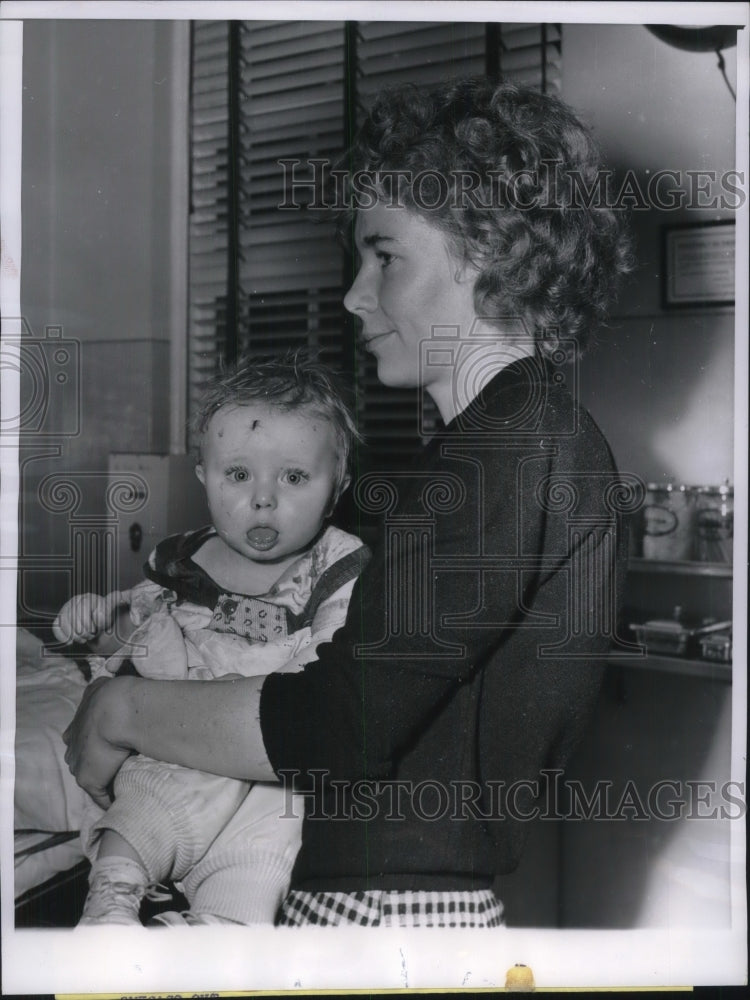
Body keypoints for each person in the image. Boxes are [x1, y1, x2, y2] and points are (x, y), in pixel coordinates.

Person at [64, 76, 633, 928]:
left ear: (487, 249)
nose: (352, 295)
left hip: (383, 905)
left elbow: (342, 721)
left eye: (385, 255)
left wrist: (119, 708)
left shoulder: (514, 440)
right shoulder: (508, 440)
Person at [54, 353, 369, 925]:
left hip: (264, 759)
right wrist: (103, 627)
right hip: (178, 744)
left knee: (267, 848)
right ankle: (113, 903)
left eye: (294, 477)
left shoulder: (335, 567)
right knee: (146, 799)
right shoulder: (181, 560)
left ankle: (218, 933)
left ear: (337, 485)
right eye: (238, 474)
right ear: (204, 475)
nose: (264, 497)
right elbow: (140, 643)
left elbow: (334, 667)